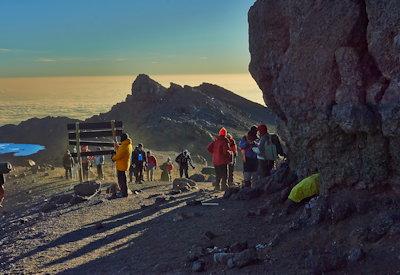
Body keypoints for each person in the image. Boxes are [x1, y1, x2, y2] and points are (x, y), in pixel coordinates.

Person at [112, 133, 133, 197]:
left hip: (122, 165)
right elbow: (120, 149)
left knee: (122, 180)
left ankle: (124, 193)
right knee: (123, 179)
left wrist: (113, 158)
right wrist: (117, 146)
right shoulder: (127, 144)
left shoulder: (125, 146)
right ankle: (124, 192)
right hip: (123, 164)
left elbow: (119, 155)